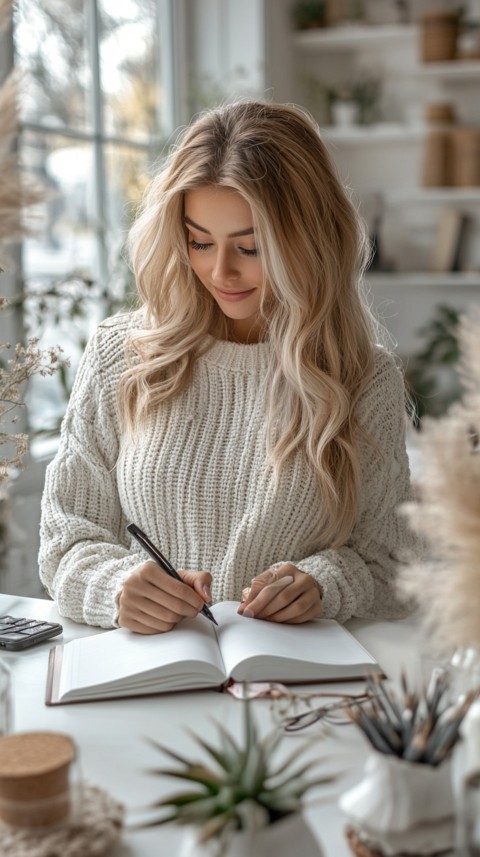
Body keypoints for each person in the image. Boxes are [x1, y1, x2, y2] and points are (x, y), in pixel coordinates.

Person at [39, 100, 417, 634]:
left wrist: (324, 584)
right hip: (150, 676)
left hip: (294, 689)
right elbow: (65, 539)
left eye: (251, 246)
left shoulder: (361, 379)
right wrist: (115, 585)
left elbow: (393, 566)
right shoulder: (121, 354)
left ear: (308, 242)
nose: (221, 272)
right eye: (199, 241)